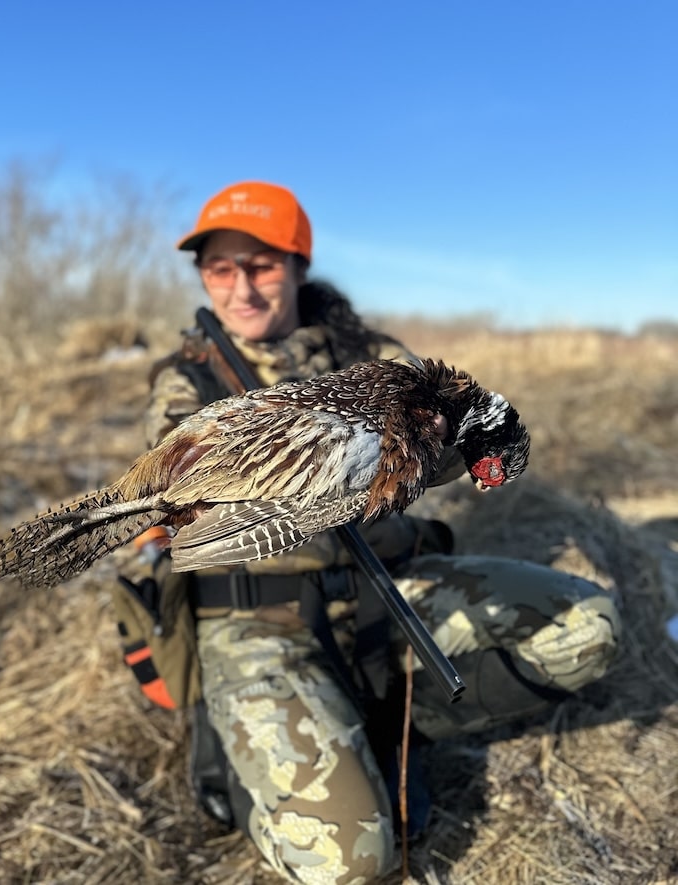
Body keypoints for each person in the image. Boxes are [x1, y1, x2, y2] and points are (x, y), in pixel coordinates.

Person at [116, 181, 620, 884]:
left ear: (297, 266)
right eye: (219, 268)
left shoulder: (370, 356)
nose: (242, 288)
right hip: (259, 617)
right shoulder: (186, 385)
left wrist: (447, 442)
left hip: (386, 593)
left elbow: (453, 437)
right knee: (352, 863)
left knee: (589, 627)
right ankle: (270, 739)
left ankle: (405, 720)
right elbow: (181, 489)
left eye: (260, 265)